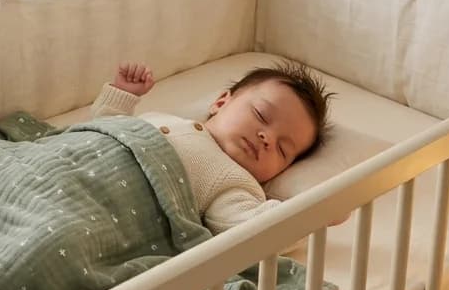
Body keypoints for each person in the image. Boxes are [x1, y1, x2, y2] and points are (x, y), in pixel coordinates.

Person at [91, 60, 331, 232]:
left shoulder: (232, 183)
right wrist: (122, 94)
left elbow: (257, 228)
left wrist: (311, 214)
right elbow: (106, 127)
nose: (267, 138)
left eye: (282, 150)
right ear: (220, 102)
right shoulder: (165, 118)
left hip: (103, 206)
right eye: (261, 115)